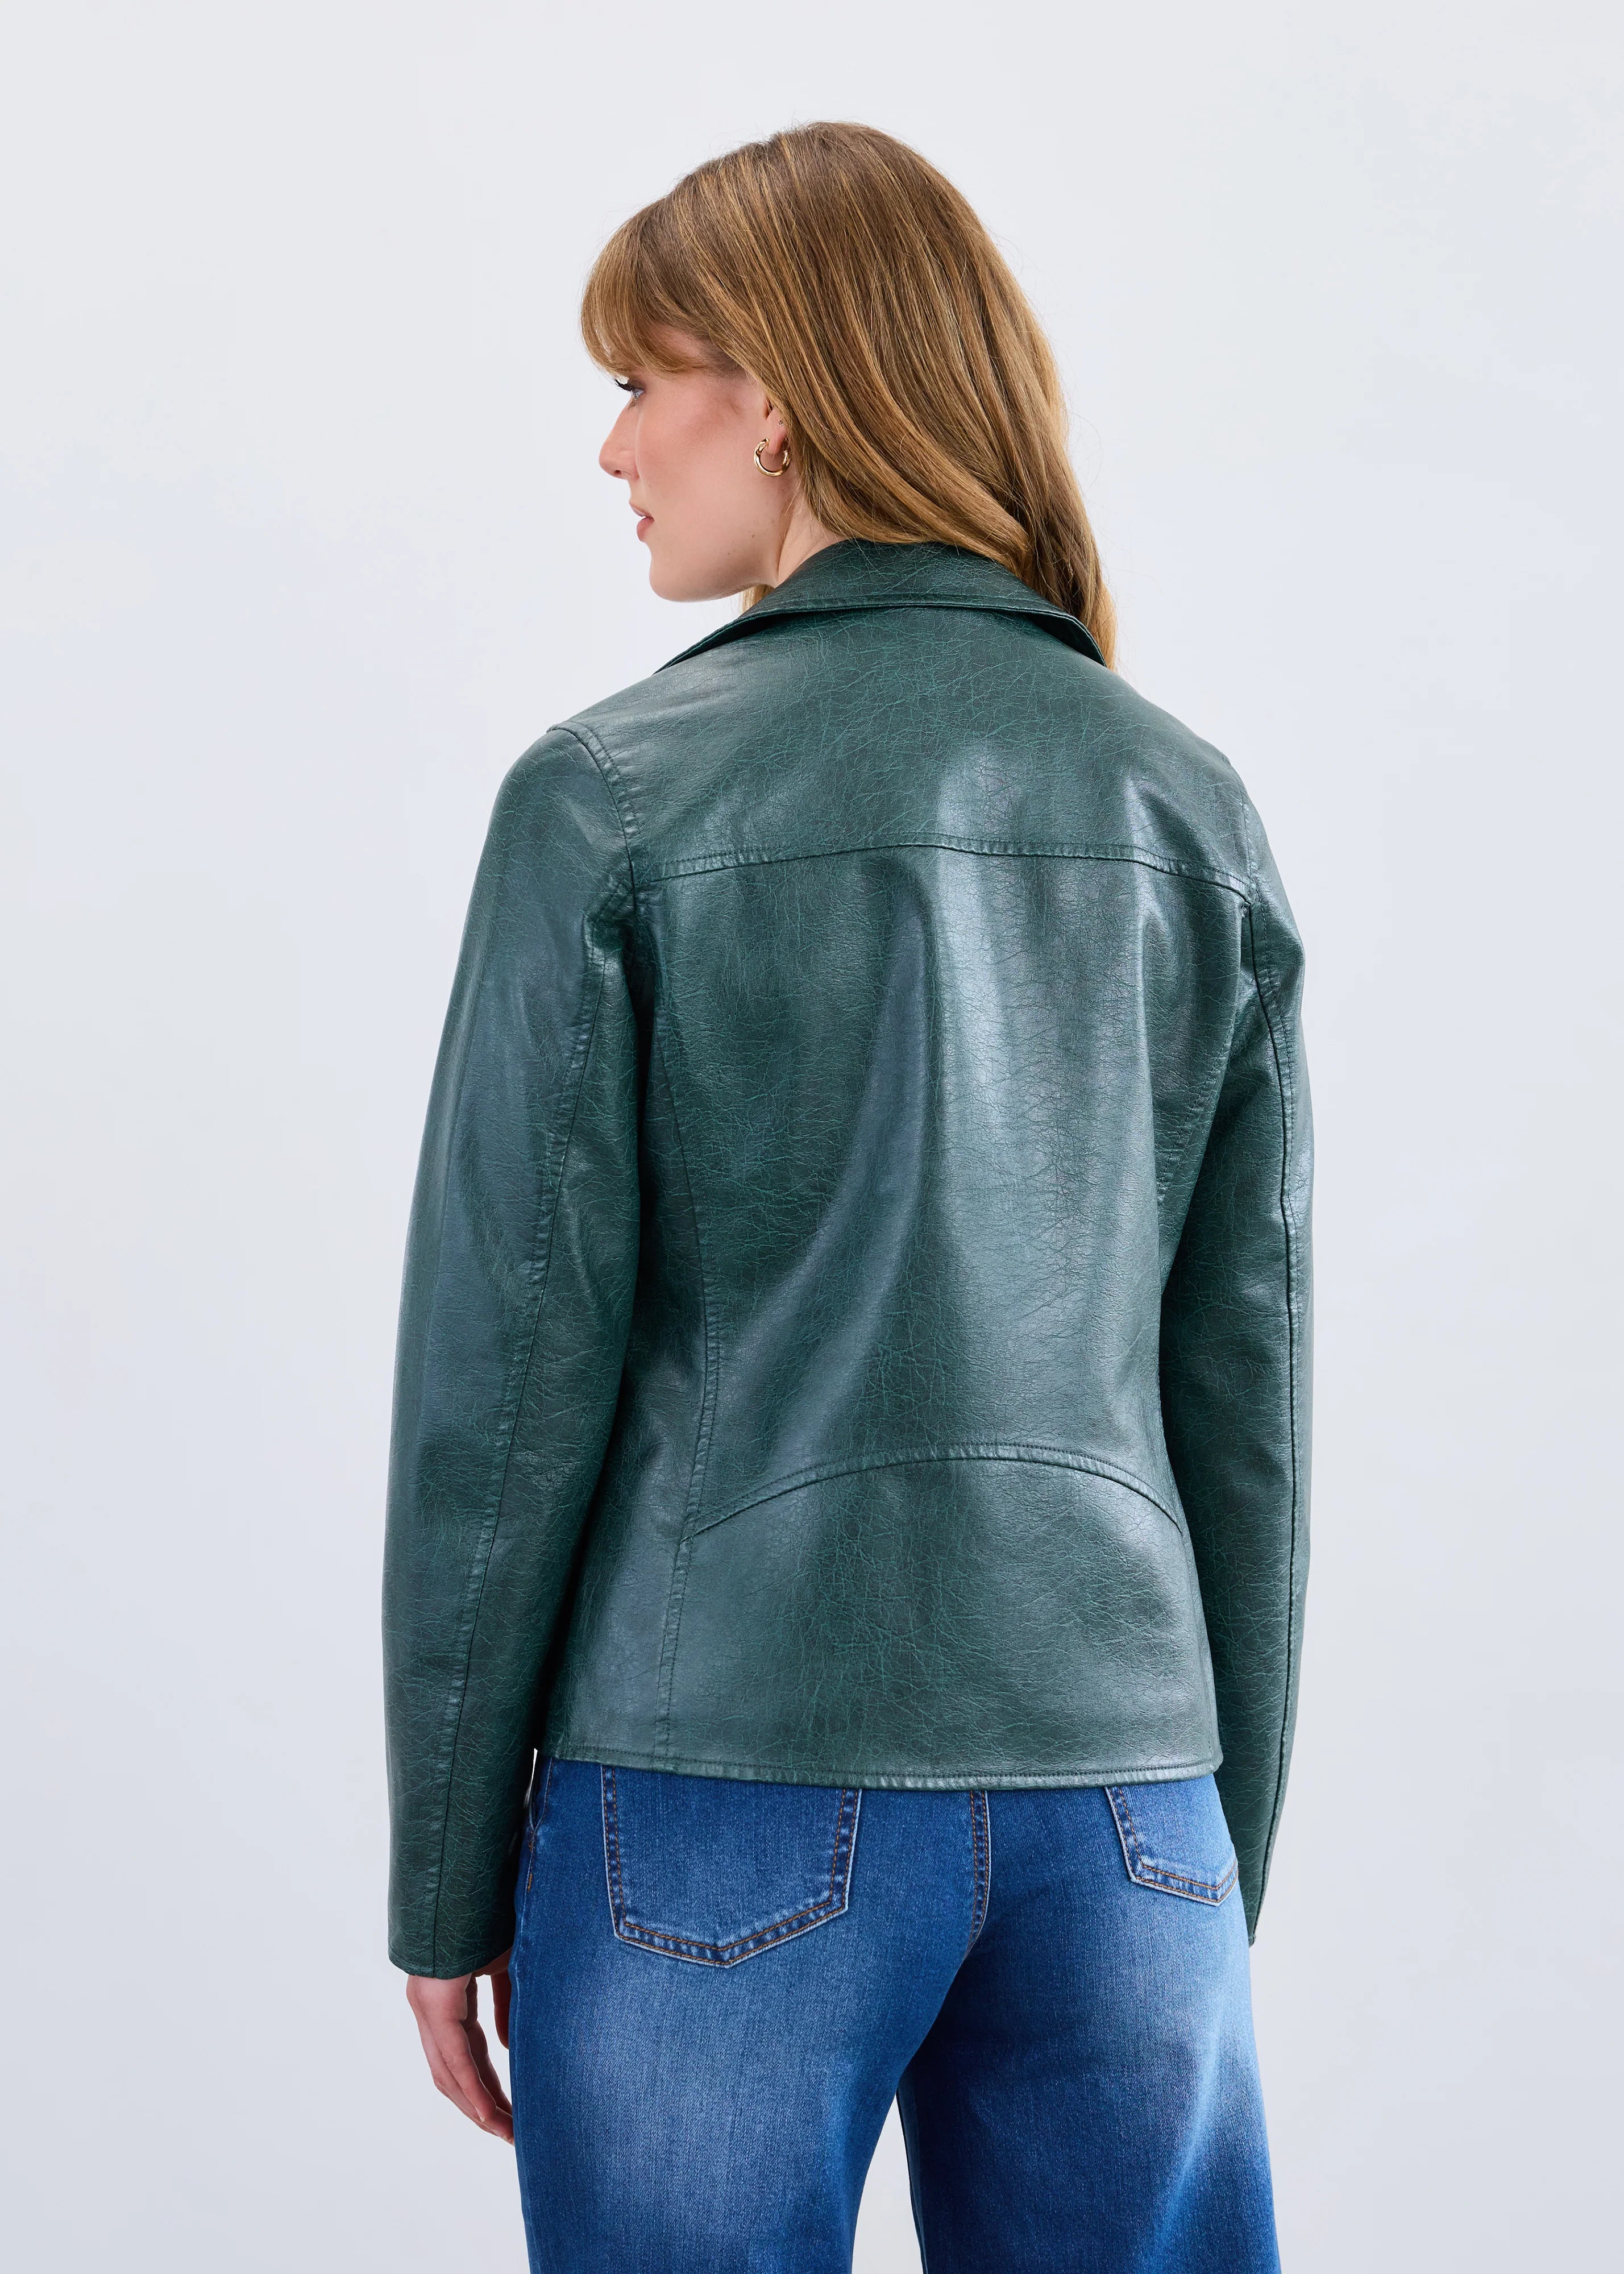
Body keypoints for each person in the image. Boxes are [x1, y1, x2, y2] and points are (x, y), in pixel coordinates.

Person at [383, 122, 1311, 2274]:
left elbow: (502, 1394)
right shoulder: (1185, 803)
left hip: (719, 1792)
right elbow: (1242, 1399)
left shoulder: (609, 800)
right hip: (1125, 1806)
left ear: (778, 394)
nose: (615, 446)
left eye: (641, 380)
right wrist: (1203, 1850)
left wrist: (442, 1880)